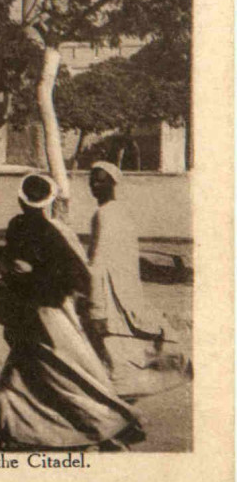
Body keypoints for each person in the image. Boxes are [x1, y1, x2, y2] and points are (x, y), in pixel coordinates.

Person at [0, 173, 144, 451]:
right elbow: (77, 277)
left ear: (20, 198)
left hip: (38, 316)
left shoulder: (29, 228)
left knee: (37, 378)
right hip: (39, 315)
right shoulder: (47, 230)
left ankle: (7, 434)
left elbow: (66, 276)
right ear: (50, 201)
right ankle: (108, 427)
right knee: (60, 375)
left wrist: (25, 273)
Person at [87, 161, 190, 396]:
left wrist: (97, 306)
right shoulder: (120, 211)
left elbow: (99, 262)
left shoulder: (105, 214)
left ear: (114, 184)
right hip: (125, 294)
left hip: (111, 296)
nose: (94, 184)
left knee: (114, 360)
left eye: (101, 179)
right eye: (92, 179)